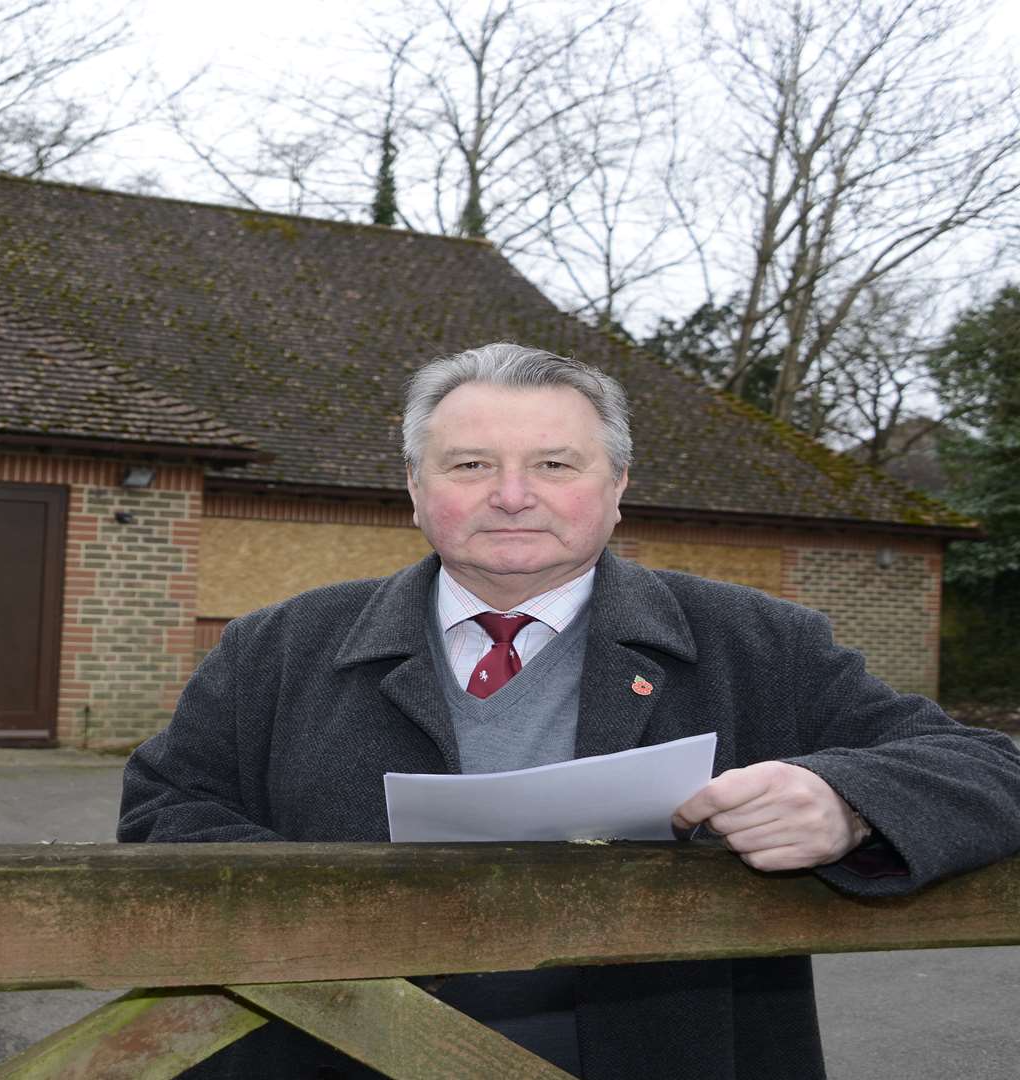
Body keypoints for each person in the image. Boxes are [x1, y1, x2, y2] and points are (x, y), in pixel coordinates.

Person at [118, 342, 1020, 1080]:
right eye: (471, 465)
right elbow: (165, 808)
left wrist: (847, 799)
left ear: (617, 486)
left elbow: (991, 766)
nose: (513, 495)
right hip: (330, 1050)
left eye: (555, 464)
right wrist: (347, 908)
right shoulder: (276, 645)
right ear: (415, 488)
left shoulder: (759, 641)